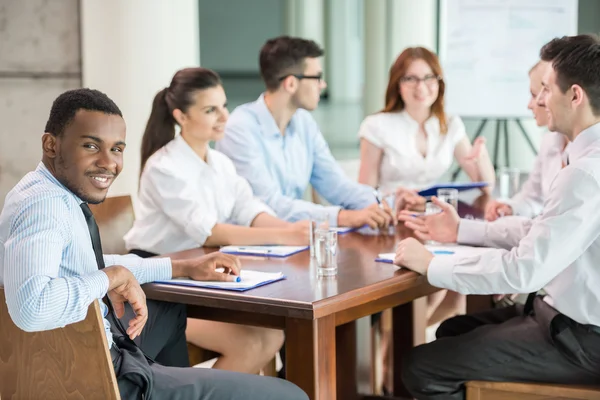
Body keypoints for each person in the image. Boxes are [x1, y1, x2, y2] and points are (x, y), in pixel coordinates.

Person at [0, 88, 308, 400]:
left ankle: (164, 384)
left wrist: (181, 267)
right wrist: (110, 277)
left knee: (169, 310)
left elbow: (91, 264)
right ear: (51, 144)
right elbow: (32, 307)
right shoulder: (44, 206)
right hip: (93, 371)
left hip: (94, 345)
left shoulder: (52, 194)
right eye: (91, 146)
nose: (108, 163)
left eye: (117, 149)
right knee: (290, 395)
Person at [394, 34, 600, 400]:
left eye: (546, 89)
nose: (538, 100)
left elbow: (523, 270)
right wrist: (462, 229)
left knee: (420, 366)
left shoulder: (585, 173)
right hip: (561, 317)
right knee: (452, 331)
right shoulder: (583, 160)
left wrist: (432, 266)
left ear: (575, 96)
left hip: (582, 340)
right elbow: (540, 230)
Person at [124, 67, 306, 374]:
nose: (224, 116)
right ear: (181, 116)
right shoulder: (164, 167)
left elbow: (248, 208)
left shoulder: (220, 162)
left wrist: (292, 230)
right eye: (211, 110)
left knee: (273, 333)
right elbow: (209, 233)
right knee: (252, 343)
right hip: (159, 285)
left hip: (199, 278)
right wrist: (284, 236)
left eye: (223, 106)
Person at [216, 36, 394, 230]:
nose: (322, 84)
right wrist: (345, 217)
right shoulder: (239, 129)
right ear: (291, 84)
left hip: (293, 241)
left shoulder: (303, 123)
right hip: (250, 247)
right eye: (317, 77)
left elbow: (336, 184)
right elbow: (270, 205)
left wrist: (379, 205)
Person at [358, 47, 495, 213]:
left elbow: (486, 189)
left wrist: (481, 158)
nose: (421, 87)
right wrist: (394, 200)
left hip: (433, 217)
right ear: (398, 84)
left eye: (429, 78)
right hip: (391, 217)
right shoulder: (376, 126)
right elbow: (364, 196)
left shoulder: (450, 124)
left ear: (439, 82)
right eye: (411, 79)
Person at [485, 61, 570, 221]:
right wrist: (511, 208)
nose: (532, 104)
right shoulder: (550, 139)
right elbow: (533, 196)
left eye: (535, 94)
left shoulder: (588, 151)